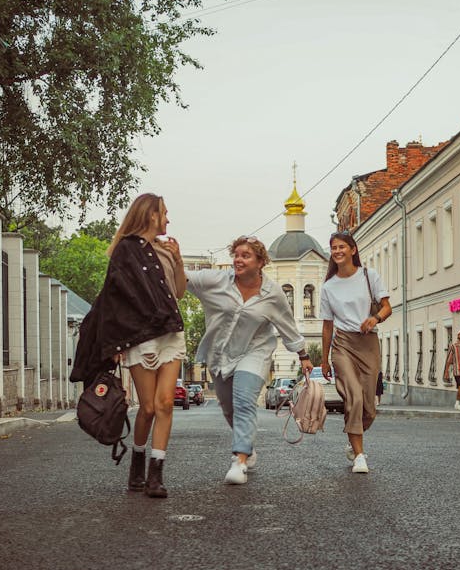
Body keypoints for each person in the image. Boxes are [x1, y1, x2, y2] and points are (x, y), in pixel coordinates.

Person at [71, 193, 186, 497]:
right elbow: (114, 299)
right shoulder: (125, 251)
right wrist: (113, 344)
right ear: (150, 215)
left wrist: (178, 259)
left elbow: (180, 292)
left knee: (164, 403)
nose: (167, 219)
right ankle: (137, 461)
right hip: (139, 338)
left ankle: (156, 474)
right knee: (147, 407)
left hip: (171, 334)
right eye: (164, 213)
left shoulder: (164, 249)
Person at [186, 236, 313, 485]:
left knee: (244, 400)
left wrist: (303, 355)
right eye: (236, 254)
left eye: (246, 255)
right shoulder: (218, 281)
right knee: (228, 406)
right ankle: (247, 446)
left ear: (260, 262)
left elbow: (287, 325)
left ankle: (239, 461)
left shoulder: (272, 293)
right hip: (220, 354)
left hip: (255, 351)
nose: (238, 259)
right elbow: (183, 278)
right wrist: (166, 255)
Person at [320, 232, 392, 474]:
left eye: (342, 246)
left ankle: (353, 440)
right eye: (333, 248)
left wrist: (375, 318)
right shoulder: (328, 287)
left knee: (369, 408)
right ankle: (359, 455)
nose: (337, 251)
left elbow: (387, 307)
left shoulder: (369, 276)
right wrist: (324, 359)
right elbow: (327, 325)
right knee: (354, 397)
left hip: (368, 343)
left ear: (353, 250)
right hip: (343, 345)